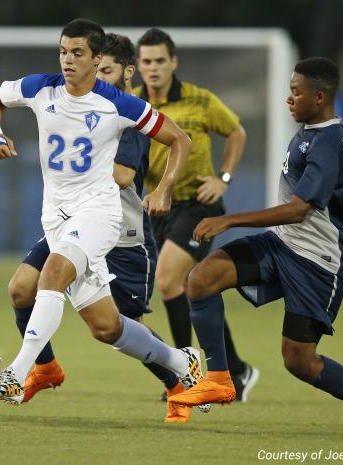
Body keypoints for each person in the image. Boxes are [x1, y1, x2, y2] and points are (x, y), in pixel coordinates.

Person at [0, 19, 204, 408]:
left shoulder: (118, 104)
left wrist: (163, 188)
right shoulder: (40, 87)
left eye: (78, 53)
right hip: (57, 218)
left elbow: (179, 139)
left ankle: (16, 374)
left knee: (52, 273)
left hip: (99, 214)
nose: (67, 60)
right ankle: (183, 362)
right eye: (63, 51)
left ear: (97, 59)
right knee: (106, 327)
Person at [168, 57, 343, 439]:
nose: (289, 98)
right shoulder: (325, 130)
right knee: (201, 279)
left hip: (316, 262)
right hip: (281, 245)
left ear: (320, 96)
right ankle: (220, 379)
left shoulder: (325, 142)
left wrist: (229, 220)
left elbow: (296, 211)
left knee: (299, 361)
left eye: (296, 91)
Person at [134, 27, 258, 401]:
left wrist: (223, 178)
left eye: (160, 61)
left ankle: (185, 374)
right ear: (137, 66)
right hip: (158, 207)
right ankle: (236, 368)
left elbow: (236, 132)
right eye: (146, 61)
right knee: (195, 289)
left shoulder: (199, 100)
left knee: (170, 280)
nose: (153, 68)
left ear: (173, 62)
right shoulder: (134, 102)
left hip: (197, 205)